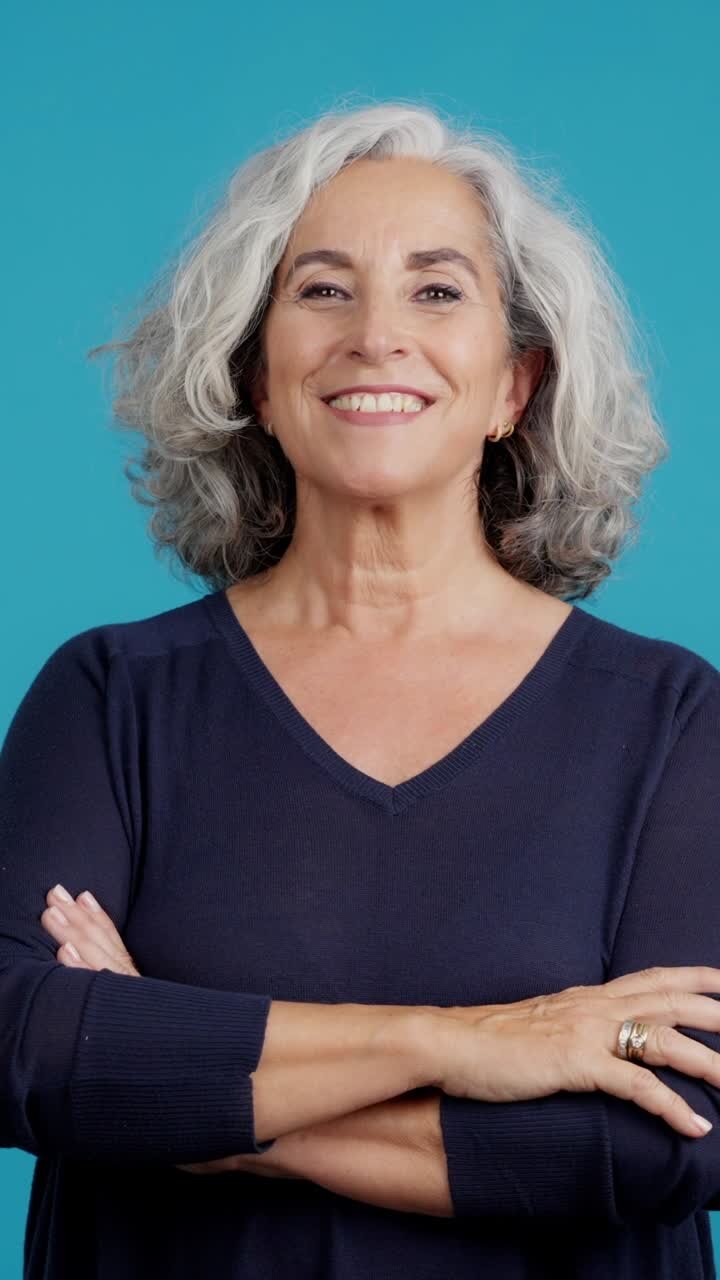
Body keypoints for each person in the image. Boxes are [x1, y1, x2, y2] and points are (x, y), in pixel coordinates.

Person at [1, 99, 719, 1280]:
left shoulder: (673, 720)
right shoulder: (107, 696)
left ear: (513, 387)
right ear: (256, 377)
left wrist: (190, 1096)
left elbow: (667, 1140)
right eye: (322, 289)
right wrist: (472, 1044)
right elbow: (27, 1051)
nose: (376, 334)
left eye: (438, 290)